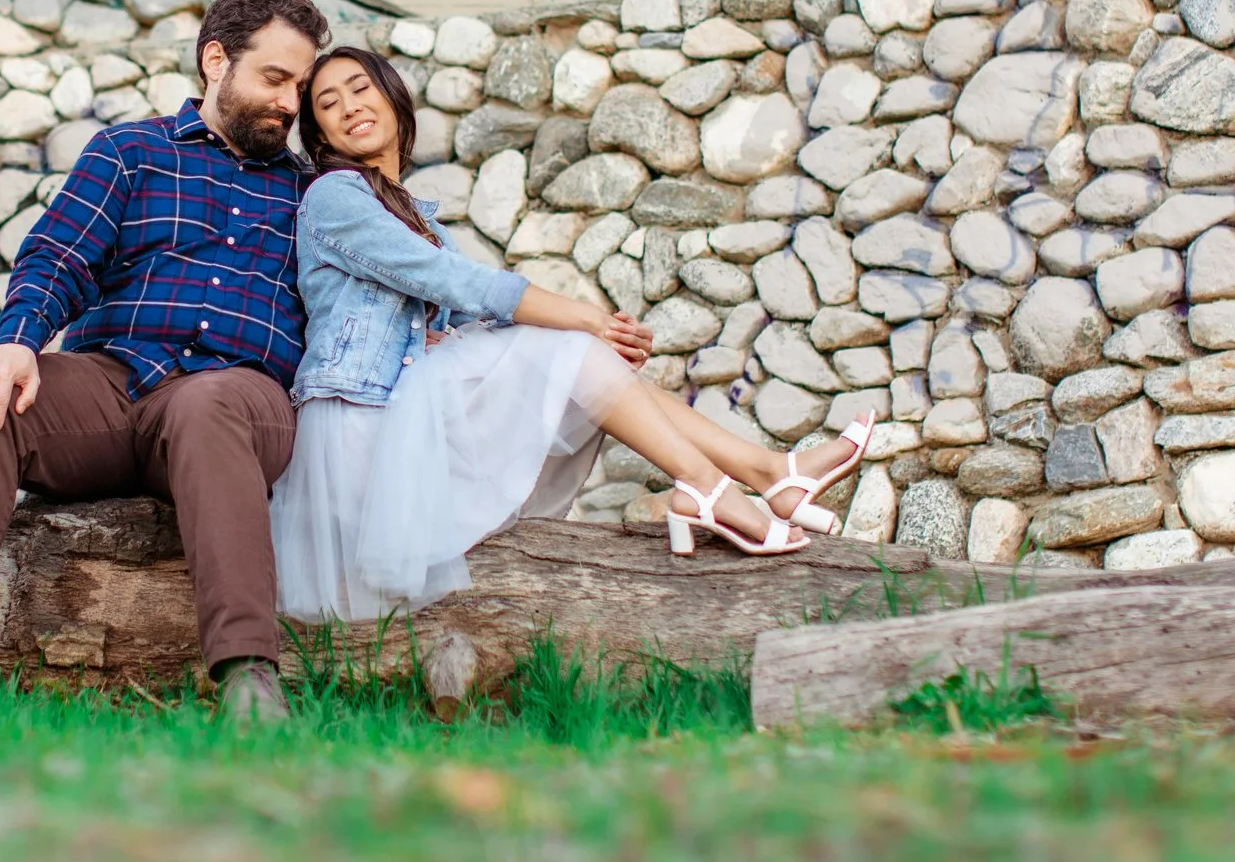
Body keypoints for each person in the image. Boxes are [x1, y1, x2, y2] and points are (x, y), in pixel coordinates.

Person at [0, 0, 331, 722]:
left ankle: (248, 679)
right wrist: (17, 342)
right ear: (215, 60)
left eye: (301, 84)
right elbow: (58, 255)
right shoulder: (130, 152)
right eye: (275, 77)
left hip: (238, 396)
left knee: (208, 404)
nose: (291, 102)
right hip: (113, 382)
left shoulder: (314, 193)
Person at [271, 46, 871, 622]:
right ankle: (722, 485)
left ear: (394, 100)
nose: (349, 106)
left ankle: (765, 474)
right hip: (365, 426)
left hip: (408, 415)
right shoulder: (333, 197)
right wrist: (588, 319)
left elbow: (466, 316)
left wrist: (583, 338)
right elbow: (451, 281)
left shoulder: (415, 214)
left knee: (574, 360)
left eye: (360, 88)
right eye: (327, 103)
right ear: (320, 135)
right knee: (571, 349)